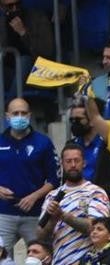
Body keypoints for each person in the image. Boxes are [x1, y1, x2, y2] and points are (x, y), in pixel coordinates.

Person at [36, 144, 109, 265]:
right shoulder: (52, 195)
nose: (73, 165)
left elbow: (96, 228)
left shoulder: (95, 192)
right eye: (68, 161)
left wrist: (64, 216)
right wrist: (52, 220)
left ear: (84, 163)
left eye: (77, 160)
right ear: (62, 164)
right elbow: (40, 235)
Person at [0, 97, 56, 249]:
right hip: (3, 213)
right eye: (15, 113)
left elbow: (54, 180)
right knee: (1, 264)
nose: (19, 117)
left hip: (34, 214)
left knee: (38, 260)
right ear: (7, 116)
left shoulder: (43, 143)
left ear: (29, 115)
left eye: (23, 113)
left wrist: (34, 196)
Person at [0, 0, 53, 94]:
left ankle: (9, 107)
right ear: (2, 8)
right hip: (9, 72)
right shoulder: (1, 24)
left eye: (18, 4)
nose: (15, 9)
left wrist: (23, 33)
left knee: (24, 60)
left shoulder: (37, 17)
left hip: (35, 71)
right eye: (10, 6)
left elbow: (47, 51)